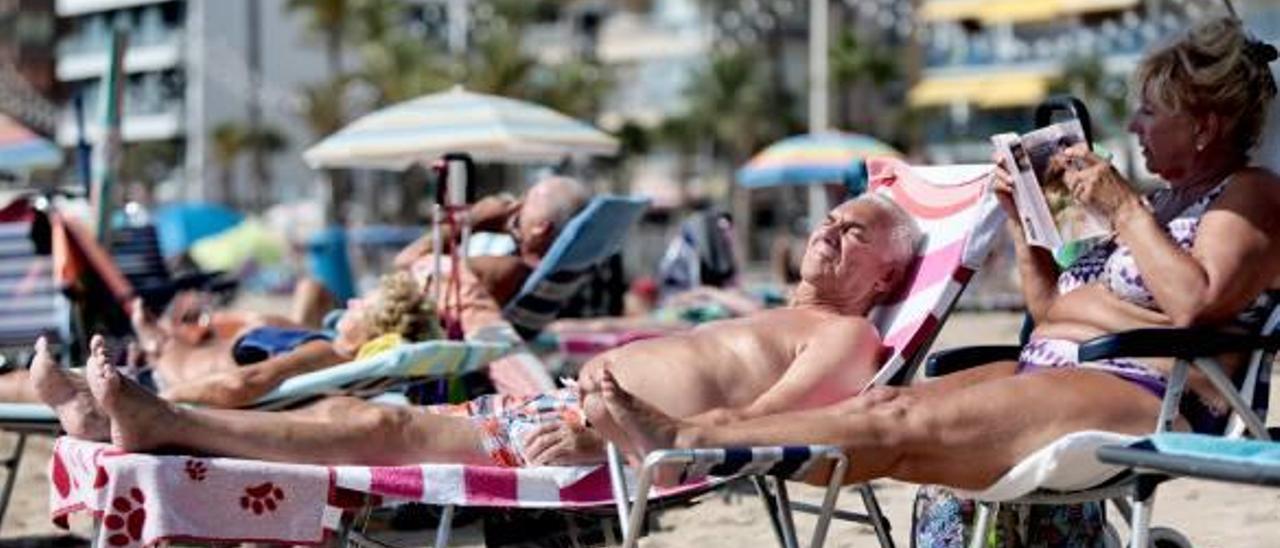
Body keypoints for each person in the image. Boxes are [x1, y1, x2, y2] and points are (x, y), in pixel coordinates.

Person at [592, 16, 1280, 491]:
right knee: (884, 400)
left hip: (1144, 396)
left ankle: (690, 444)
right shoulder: (1164, 210)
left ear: (1205, 124)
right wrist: (1019, 218)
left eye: (1150, 113)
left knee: (895, 421)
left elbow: (1192, 303)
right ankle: (704, 434)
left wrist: (1119, 214)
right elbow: (1049, 309)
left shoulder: (1248, 194)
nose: (1132, 126)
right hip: (1060, 367)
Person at [44, 194, 921, 468]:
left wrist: (616, 443)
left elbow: (763, 431)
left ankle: (161, 422)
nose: (829, 230)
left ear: (884, 276)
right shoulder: (777, 311)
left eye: (855, 233)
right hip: (563, 416)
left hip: (598, 451)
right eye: (831, 218)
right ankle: (130, 417)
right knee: (360, 410)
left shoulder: (847, 340)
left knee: (382, 424)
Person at [34, 272, 442, 416]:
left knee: (26, 383)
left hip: (156, 387)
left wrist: (143, 403)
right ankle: (158, 342)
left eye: (361, 304)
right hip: (160, 378)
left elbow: (243, 384)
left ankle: (158, 345)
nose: (349, 302)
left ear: (374, 325)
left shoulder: (329, 351)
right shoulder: (329, 350)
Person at [394, 176, 591, 306]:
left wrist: (470, 220)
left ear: (540, 228)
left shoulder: (503, 270)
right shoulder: (566, 274)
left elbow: (405, 264)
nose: (514, 206)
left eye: (524, 202)